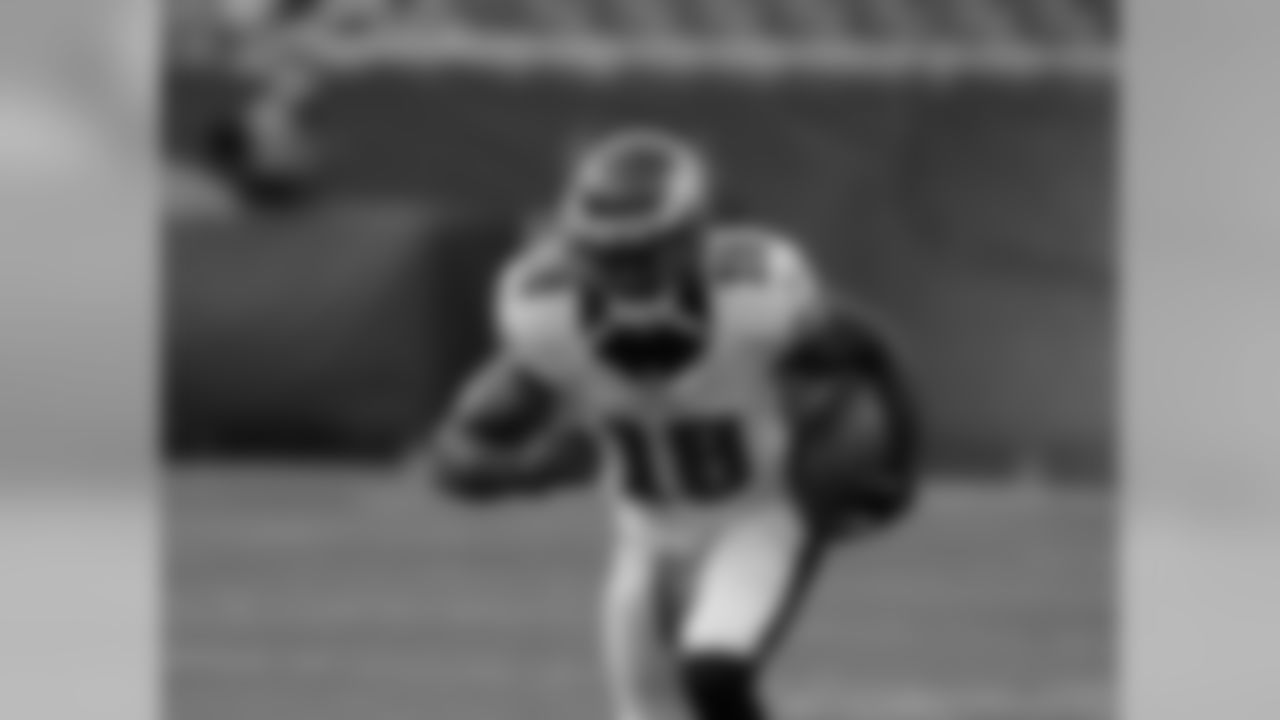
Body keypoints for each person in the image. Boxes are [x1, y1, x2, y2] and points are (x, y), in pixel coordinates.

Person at [423, 127, 922, 720]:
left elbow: (869, 353)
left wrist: (900, 464)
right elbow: (455, 454)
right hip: (646, 535)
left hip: (757, 514)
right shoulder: (546, 317)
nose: (625, 274)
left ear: (690, 239)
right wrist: (529, 471)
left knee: (714, 671)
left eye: (643, 253)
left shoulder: (757, 296)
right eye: (607, 255)